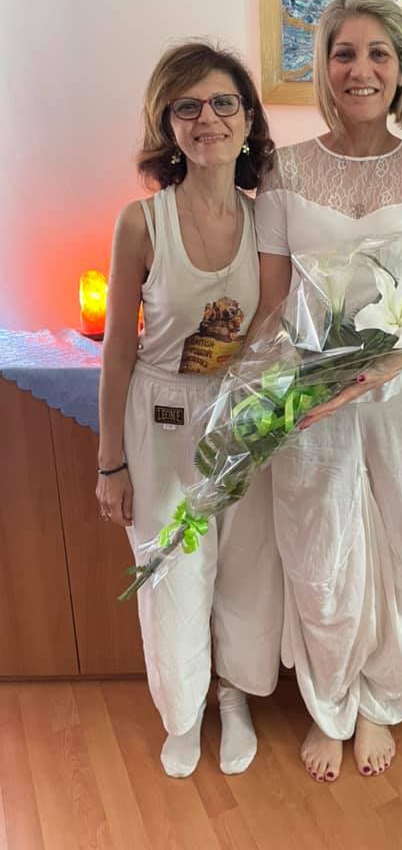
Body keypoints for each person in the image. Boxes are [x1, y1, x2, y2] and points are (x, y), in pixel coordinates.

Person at [252, 0, 402, 783]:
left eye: (378, 54)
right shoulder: (284, 168)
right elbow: (273, 306)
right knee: (321, 553)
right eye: (344, 53)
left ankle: (380, 703)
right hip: (313, 398)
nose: (360, 69)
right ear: (324, 66)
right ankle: (329, 702)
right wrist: (257, 399)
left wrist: (384, 366)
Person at [96, 42, 283, 778]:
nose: (209, 118)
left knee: (246, 565)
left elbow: (272, 328)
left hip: (243, 414)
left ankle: (233, 696)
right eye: (188, 106)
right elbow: (118, 348)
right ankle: (182, 712)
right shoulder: (140, 223)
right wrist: (110, 463)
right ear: (168, 124)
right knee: (172, 569)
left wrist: (259, 413)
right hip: (160, 418)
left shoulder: (269, 221)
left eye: (224, 103)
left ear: (247, 119)